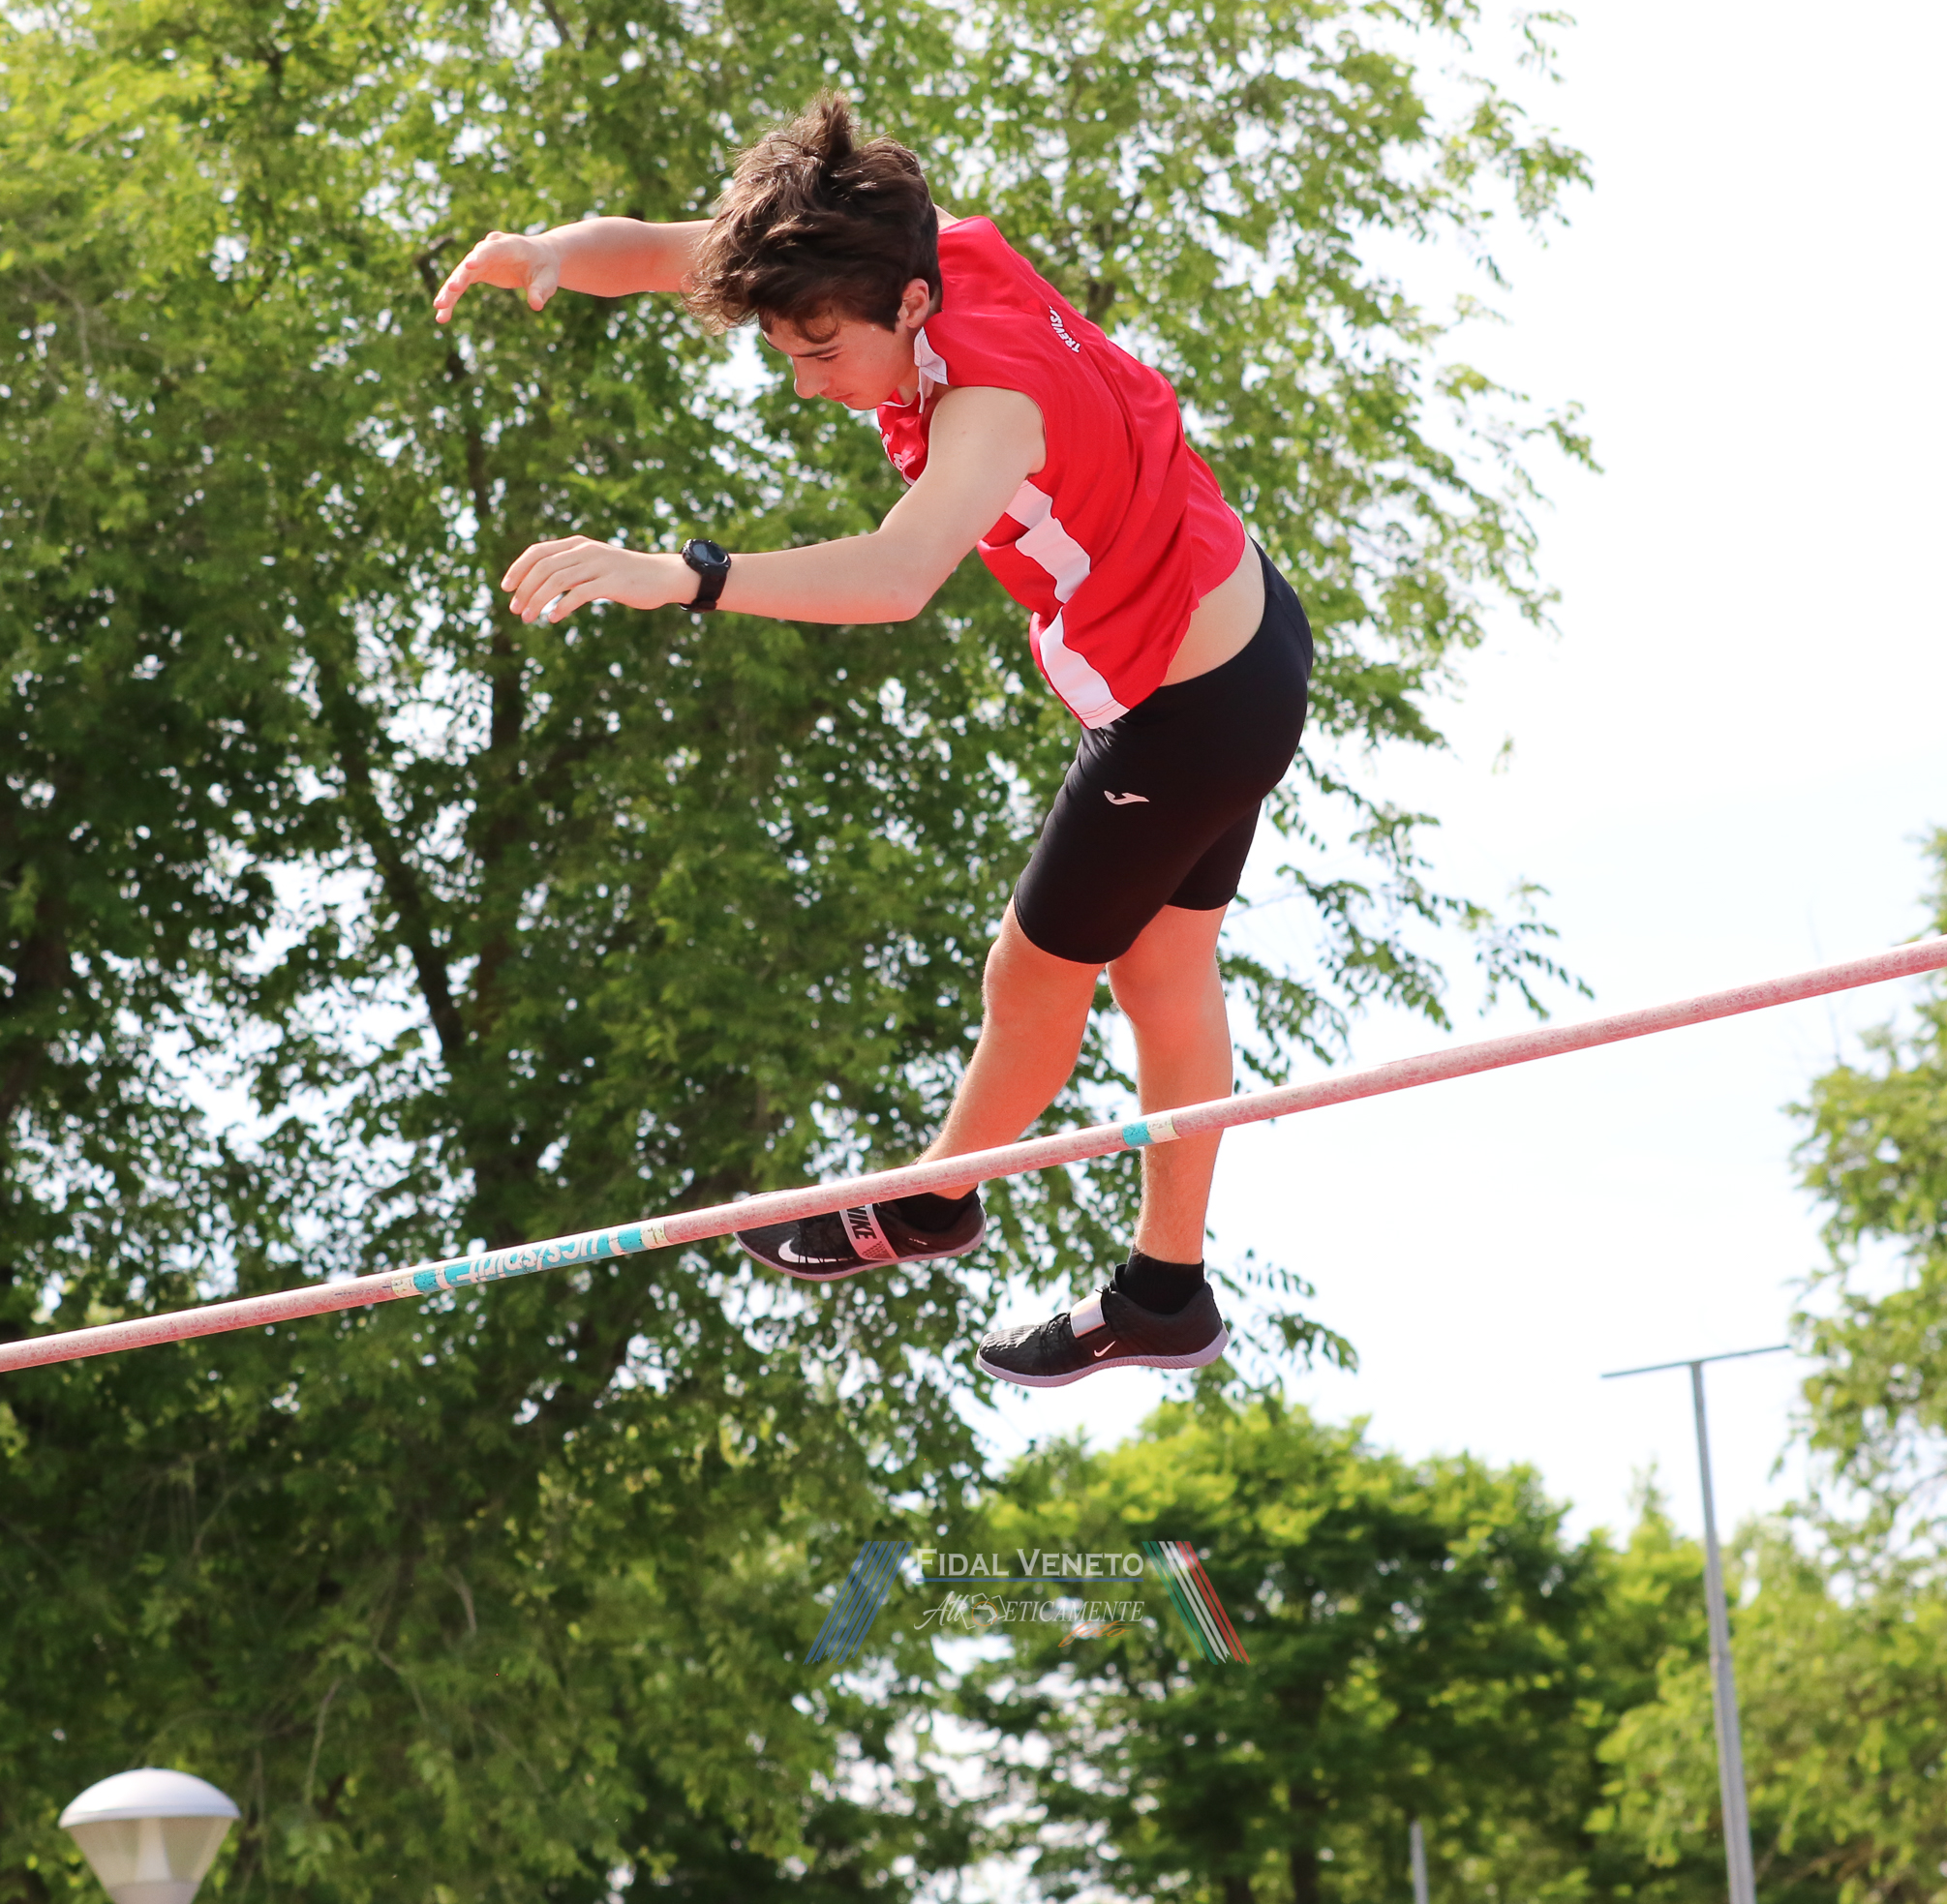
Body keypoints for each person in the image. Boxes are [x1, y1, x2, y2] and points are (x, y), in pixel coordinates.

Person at [431, 95, 1312, 1388]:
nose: (807, 382)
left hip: (1188, 710)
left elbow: (899, 577)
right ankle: (1165, 1296)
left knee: (1033, 976)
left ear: (908, 306)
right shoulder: (894, 248)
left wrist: (685, 576)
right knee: (1163, 974)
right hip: (1239, 646)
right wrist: (553, 252)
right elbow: (672, 250)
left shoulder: (993, 404)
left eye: (821, 353)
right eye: (786, 352)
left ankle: (929, 1201)